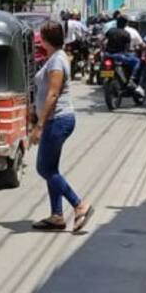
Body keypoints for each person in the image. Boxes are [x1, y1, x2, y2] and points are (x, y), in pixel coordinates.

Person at [30, 21, 92, 232]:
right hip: (55, 120)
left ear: (47, 40)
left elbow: (53, 94)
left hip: (57, 120)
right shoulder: (55, 58)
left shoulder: (57, 61)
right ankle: (57, 215)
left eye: (41, 37)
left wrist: (40, 125)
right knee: (51, 169)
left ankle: (79, 205)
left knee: (44, 168)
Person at [103, 14, 142, 87]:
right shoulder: (126, 33)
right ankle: (132, 78)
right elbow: (127, 47)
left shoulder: (111, 31)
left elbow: (102, 40)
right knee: (137, 61)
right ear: (126, 24)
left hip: (108, 54)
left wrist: (104, 49)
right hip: (120, 56)